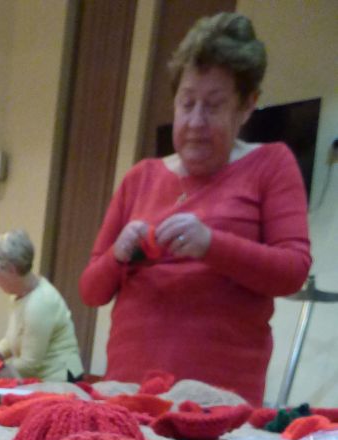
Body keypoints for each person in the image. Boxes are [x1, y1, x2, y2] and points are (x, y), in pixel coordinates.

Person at [79, 13, 310, 406]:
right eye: (187, 104)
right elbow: (90, 291)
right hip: (127, 393)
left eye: (214, 106)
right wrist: (118, 254)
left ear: (247, 105)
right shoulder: (140, 177)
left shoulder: (271, 164)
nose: (196, 121)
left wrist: (211, 245)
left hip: (218, 402)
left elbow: (292, 270)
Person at [0, 230, 83, 381]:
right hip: (41, 379)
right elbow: (11, 341)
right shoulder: (19, 295)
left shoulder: (40, 303)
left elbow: (29, 365)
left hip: (61, 380)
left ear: (11, 269)